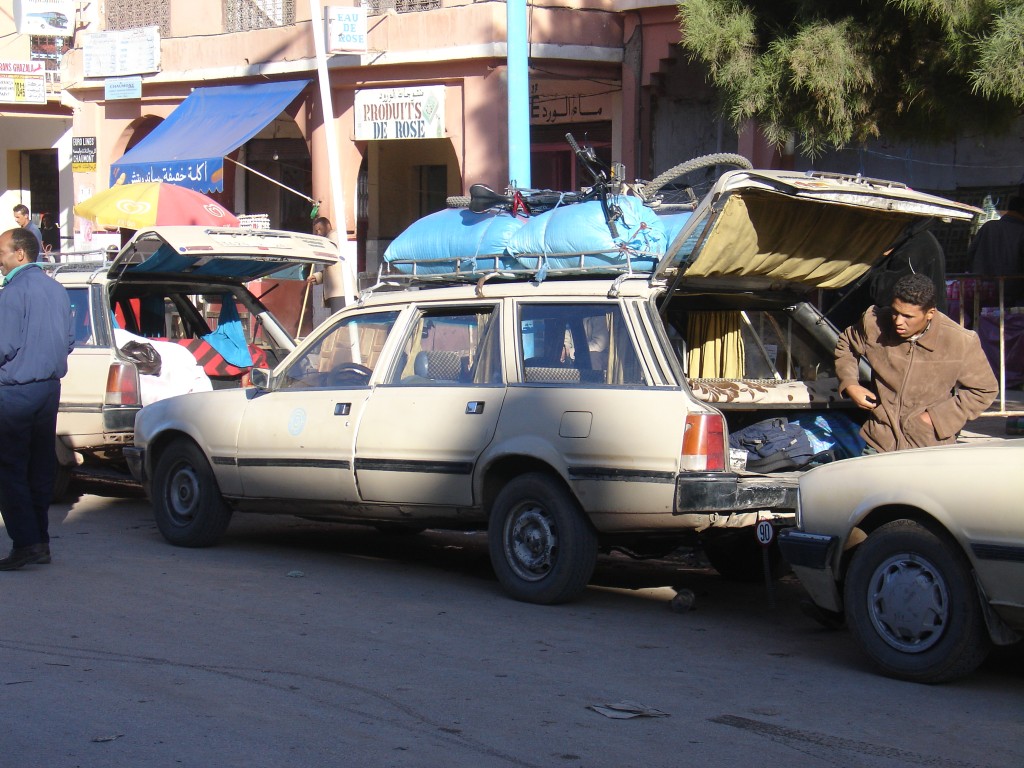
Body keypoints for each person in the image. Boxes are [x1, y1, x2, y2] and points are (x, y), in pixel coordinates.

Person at [835, 272, 998, 453]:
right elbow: (847, 343)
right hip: (879, 441)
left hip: (929, 447)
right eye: (895, 312)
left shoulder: (960, 341)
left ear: (930, 314)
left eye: (908, 316)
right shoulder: (874, 323)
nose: (898, 321)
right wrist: (850, 383)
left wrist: (934, 419)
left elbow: (985, 390)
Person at [0, 227, 74, 570]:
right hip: (48, 389)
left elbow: (4, 346)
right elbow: (69, 340)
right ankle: (39, 541)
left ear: (20, 255)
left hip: (16, 392)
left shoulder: (13, 293)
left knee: (10, 469)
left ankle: (27, 543)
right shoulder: (57, 290)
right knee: (39, 466)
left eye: (2, 252)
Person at [968, 195, 1024, 305]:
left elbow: (971, 254)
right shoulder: (1021, 231)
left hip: (982, 289)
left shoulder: (989, 226)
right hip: (1013, 293)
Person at [306, 216, 347, 315]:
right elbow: (332, 269)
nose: (318, 233)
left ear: (328, 226)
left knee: (339, 318)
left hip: (340, 289)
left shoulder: (334, 237)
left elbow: (334, 258)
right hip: (336, 290)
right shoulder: (328, 239)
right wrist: (317, 277)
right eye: (316, 231)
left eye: (320, 229)